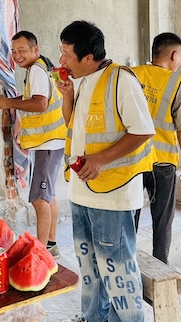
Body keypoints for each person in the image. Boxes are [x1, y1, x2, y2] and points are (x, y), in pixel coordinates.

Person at [56, 20, 155, 322]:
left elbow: (143, 130)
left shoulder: (121, 80)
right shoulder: (83, 80)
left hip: (113, 194)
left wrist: (100, 159)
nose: (61, 60)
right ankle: (92, 317)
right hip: (81, 192)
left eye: (66, 55)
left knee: (117, 268)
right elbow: (73, 124)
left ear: (88, 57)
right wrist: (67, 96)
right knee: (89, 267)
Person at [0, 31, 66, 258]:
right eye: (14, 52)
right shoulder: (41, 68)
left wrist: (7, 102)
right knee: (48, 194)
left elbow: (40, 104)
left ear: (35, 49)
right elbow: (34, 100)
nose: (17, 56)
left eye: (22, 50)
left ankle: (40, 253)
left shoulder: (37, 71)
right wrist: (8, 104)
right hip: (51, 142)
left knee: (39, 198)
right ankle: (51, 244)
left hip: (47, 143)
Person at [133, 32, 181, 264]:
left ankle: (127, 262)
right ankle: (160, 265)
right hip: (162, 162)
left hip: (131, 160)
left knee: (129, 214)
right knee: (162, 220)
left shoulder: (131, 75)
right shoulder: (176, 84)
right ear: (174, 55)